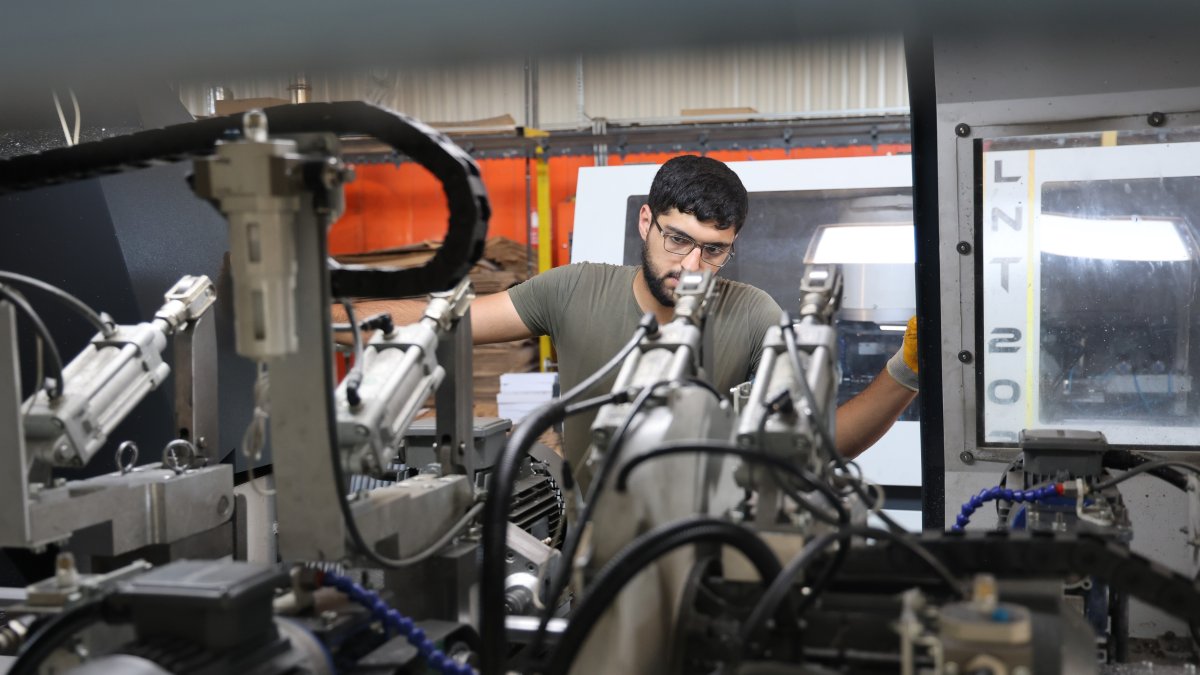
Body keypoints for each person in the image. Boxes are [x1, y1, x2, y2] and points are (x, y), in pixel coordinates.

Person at [340, 155, 919, 480]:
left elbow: (816, 444)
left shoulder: (753, 316)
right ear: (645, 222)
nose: (691, 265)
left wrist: (904, 372)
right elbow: (447, 318)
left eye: (713, 250)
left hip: (706, 545)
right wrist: (339, 317)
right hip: (589, 549)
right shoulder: (575, 289)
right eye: (677, 239)